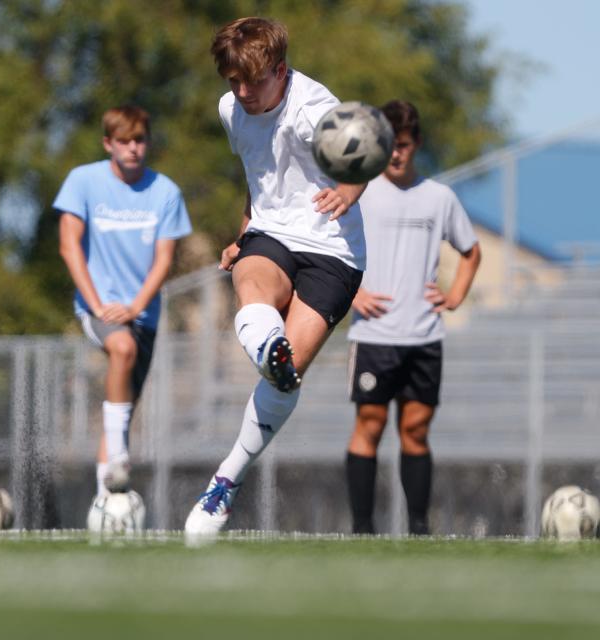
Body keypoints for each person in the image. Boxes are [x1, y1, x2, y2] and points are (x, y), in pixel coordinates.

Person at [184, 17, 368, 536]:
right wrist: (243, 233)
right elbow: (258, 173)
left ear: (281, 71)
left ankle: (227, 477)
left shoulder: (315, 110)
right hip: (271, 234)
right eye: (232, 82)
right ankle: (266, 344)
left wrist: (349, 193)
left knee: (286, 376)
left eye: (253, 81)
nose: (241, 92)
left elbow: (368, 151)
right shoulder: (230, 109)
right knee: (253, 281)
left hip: (334, 250)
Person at [345, 100, 481, 535]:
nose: (396, 153)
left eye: (402, 145)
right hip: (374, 334)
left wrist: (454, 295)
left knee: (416, 429)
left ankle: (419, 528)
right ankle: (363, 529)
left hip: (423, 334)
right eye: (388, 145)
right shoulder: (358, 193)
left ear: (416, 144)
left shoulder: (439, 197)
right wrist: (352, 294)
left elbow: (471, 251)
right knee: (370, 423)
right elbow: (328, 249)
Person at [55, 105, 192, 498]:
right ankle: (117, 458)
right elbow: (69, 247)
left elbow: (165, 259)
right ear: (108, 144)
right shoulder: (82, 182)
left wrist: (135, 306)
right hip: (98, 308)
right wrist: (98, 306)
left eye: (139, 140)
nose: (133, 148)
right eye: (123, 141)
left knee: (123, 409)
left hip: (142, 312)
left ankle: (105, 505)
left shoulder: (165, 191)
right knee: (122, 345)